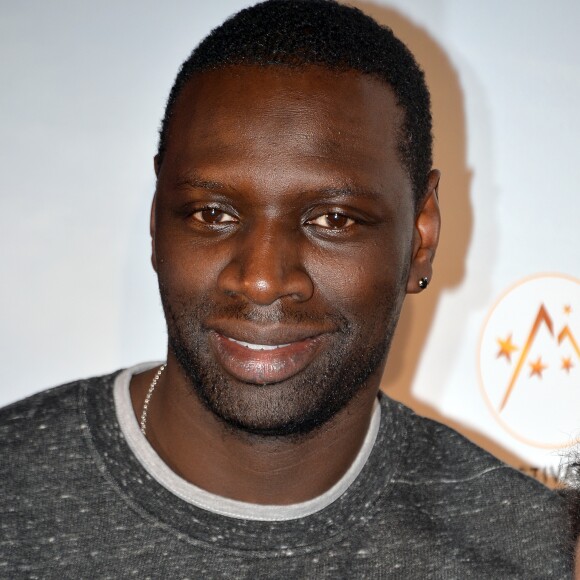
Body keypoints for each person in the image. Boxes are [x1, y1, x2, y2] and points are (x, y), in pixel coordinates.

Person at [0, 1, 571, 577]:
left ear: (421, 237)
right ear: (156, 219)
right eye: (212, 213)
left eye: (334, 220)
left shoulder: (530, 552)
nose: (263, 279)